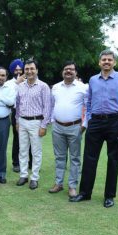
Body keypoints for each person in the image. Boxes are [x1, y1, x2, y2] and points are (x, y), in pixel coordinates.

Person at [70, 50, 118, 208]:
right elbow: (90, 102)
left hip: (115, 123)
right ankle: (85, 193)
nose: (106, 62)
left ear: (114, 62)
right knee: (89, 158)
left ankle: (109, 196)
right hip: (96, 123)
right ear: (99, 62)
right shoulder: (93, 80)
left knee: (113, 159)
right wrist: (90, 120)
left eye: (109, 60)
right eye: (104, 60)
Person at [49, 61, 87, 197]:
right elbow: (52, 106)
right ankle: (58, 183)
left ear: (76, 72)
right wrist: (52, 121)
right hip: (58, 127)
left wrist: (84, 125)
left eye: (71, 69)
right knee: (59, 157)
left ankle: (72, 186)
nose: (68, 71)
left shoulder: (83, 88)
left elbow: (88, 108)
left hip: (75, 127)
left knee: (75, 158)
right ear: (62, 72)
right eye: (66, 69)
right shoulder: (56, 87)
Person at [15, 59, 51, 190]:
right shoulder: (20, 86)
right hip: (23, 121)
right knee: (23, 150)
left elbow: (47, 107)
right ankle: (23, 175)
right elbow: (18, 105)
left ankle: (34, 177)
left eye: (32, 69)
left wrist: (44, 125)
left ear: (37, 70)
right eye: (27, 69)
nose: (29, 71)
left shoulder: (43, 86)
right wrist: (17, 121)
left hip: (36, 122)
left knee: (36, 152)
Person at [5, 59, 33, 172]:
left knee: (32, 138)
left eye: (19, 69)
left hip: (31, 112)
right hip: (17, 112)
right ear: (12, 71)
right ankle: (16, 163)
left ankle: (31, 162)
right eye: (15, 69)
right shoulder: (9, 83)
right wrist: (17, 83)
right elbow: (11, 99)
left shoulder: (30, 80)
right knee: (17, 138)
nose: (18, 71)